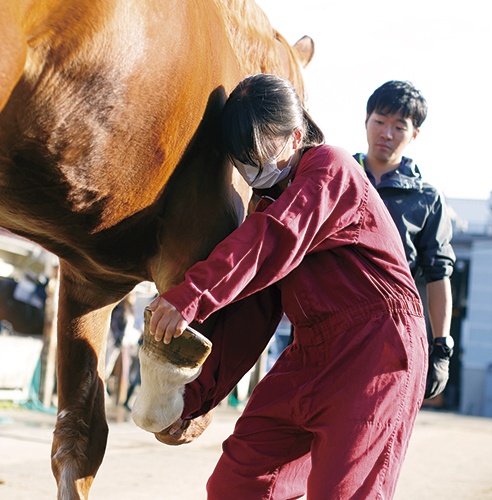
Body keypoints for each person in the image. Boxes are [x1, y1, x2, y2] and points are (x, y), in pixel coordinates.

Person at [149, 74, 428, 499]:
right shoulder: (268, 202)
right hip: (311, 350)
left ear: (296, 136)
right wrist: (187, 399)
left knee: (343, 493)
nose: (249, 166)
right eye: (240, 157)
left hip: (378, 349)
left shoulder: (331, 167)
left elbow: (276, 237)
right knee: (236, 484)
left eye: (258, 152)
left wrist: (192, 295)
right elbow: (249, 315)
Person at [353, 80, 456, 400]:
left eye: (399, 126)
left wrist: (441, 347)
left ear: (414, 134)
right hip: (324, 320)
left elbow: (438, 274)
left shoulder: (426, 198)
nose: (386, 133)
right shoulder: (337, 176)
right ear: (366, 120)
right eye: (380, 121)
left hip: (388, 331)